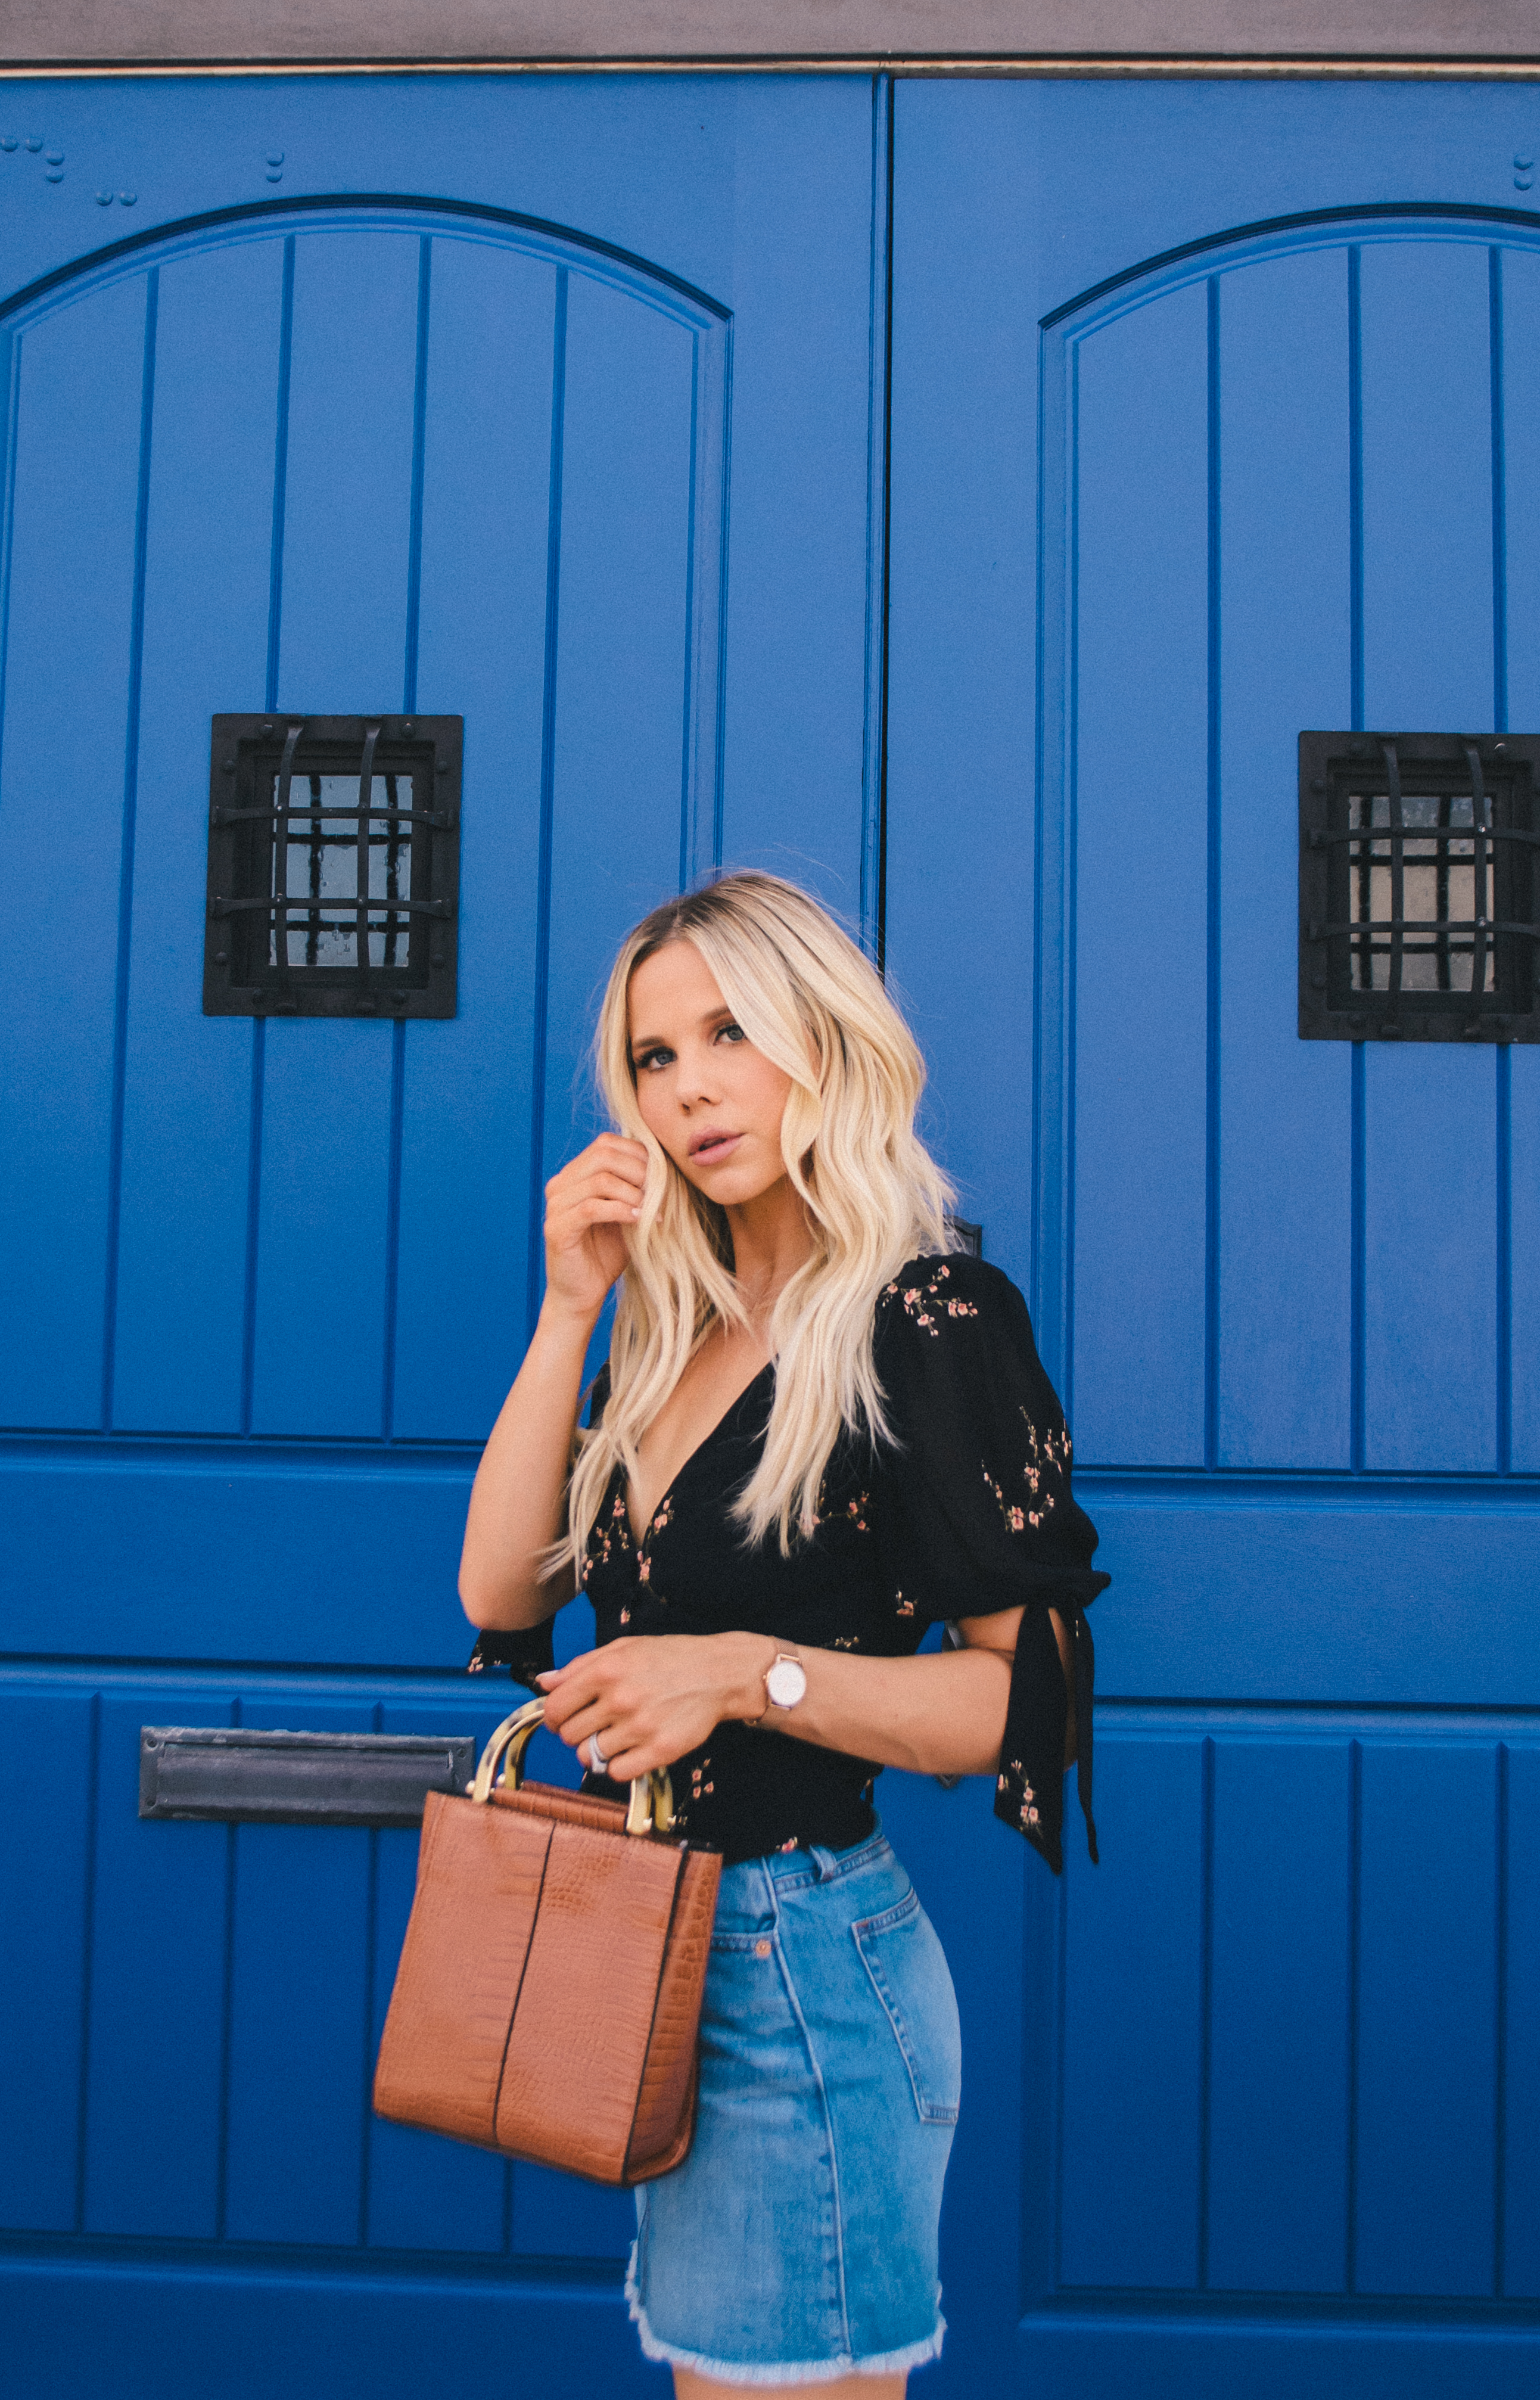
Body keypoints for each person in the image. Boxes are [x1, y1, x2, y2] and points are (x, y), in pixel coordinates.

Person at [459, 871, 1107, 2394]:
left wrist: (740, 1672)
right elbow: (499, 1596)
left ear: (823, 1038)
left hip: (804, 1963)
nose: (691, 1088)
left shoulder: (926, 1315)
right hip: (674, 1947)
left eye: (730, 1031)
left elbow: (1019, 1704)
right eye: (655, 1057)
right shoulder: (670, 1322)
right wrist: (568, 1312)